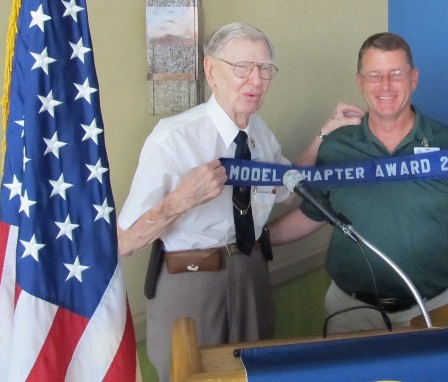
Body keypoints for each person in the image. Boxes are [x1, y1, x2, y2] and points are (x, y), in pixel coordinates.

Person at [117, 22, 363, 380]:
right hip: (191, 281)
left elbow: (286, 186)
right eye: (243, 67)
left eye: (265, 69)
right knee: (190, 374)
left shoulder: (259, 134)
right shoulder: (172, 139)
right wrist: (180, 201)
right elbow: (125, 241)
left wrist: (325, 133)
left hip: (252, 273)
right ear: (211, 71)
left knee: (254, 374)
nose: (256, 80)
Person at [268, 32, 448, 335]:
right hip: (349, 311)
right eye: (375, 75)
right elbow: (312, 213)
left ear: (414, 79)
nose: (385, 85)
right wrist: (251, 242)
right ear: (360, 82)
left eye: (396, 74)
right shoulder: (336, 147)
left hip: (431, 310)